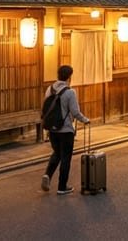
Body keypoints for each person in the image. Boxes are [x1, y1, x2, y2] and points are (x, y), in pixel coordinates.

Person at [41, 64, 89, 195]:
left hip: (52, 129)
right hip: (65, 130)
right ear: (69, 77)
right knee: (66, 157)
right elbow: (75, 112)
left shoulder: (49, 89)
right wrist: (86, 120)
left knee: (56, 153)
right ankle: (62, 187)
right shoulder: (70, 92)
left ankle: (48, 175)